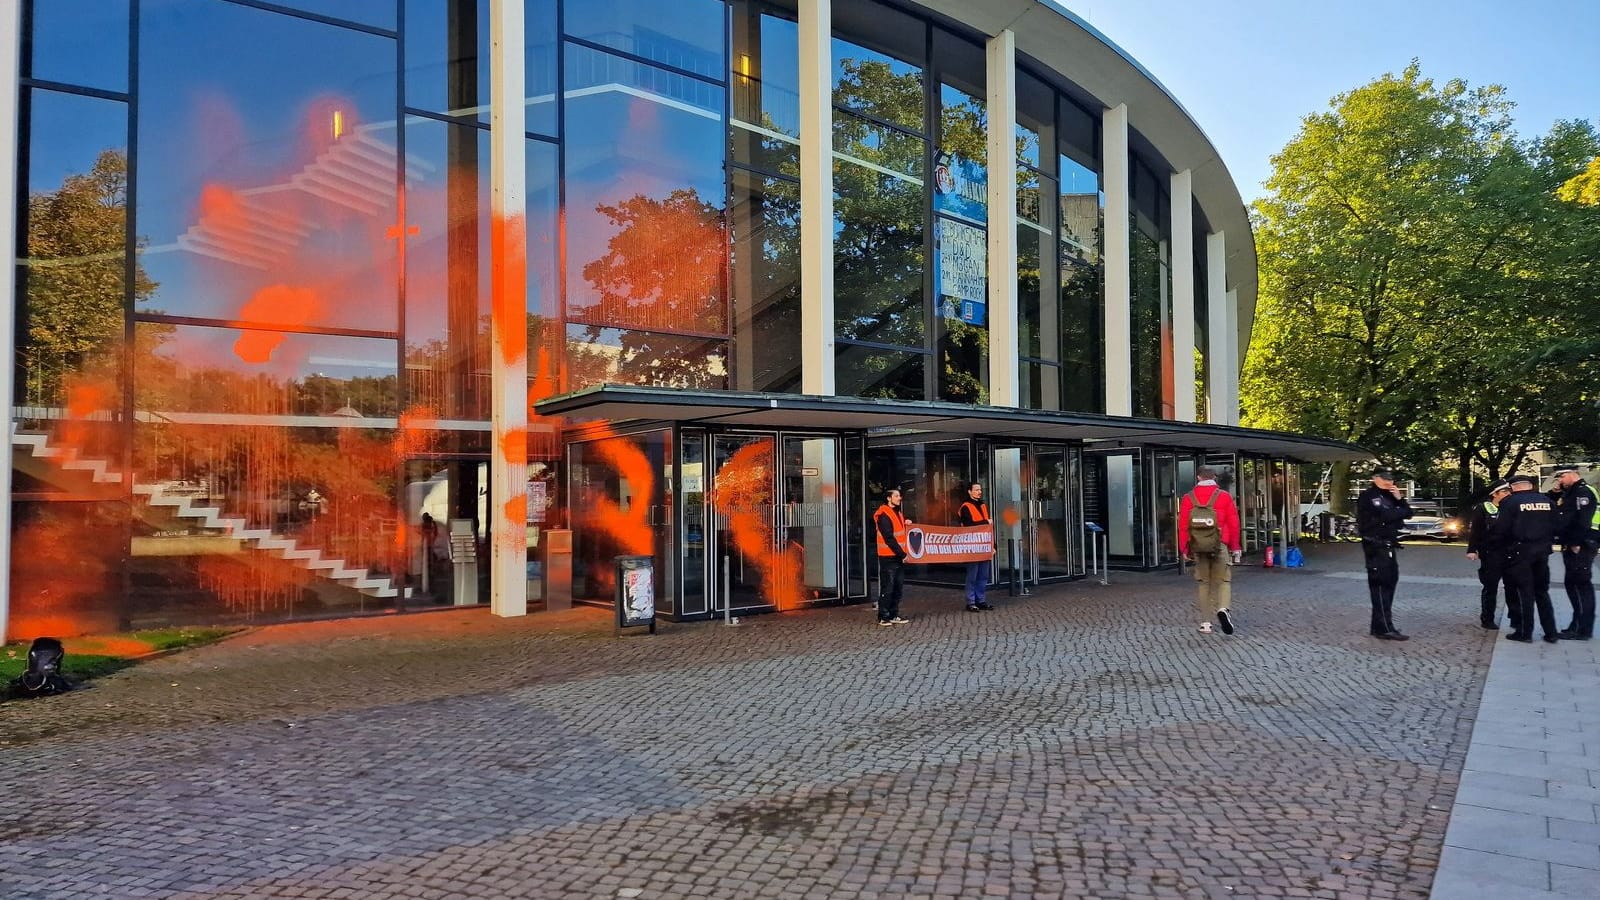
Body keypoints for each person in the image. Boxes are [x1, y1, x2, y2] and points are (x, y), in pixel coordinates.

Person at [1492, 473, 1560, 643]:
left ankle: (1525, 632)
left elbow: (1501, 530)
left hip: (1519, 552)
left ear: (1513, 487)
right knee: (1542, 592)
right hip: (1542, 551)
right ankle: (1551, 632)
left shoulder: (1510, 502)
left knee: (1524, 593)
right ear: (1530, 485)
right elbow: (1557, 526)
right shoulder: (1547, 501)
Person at [1178, 466, 1242, 635]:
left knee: (1203, 583)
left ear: (1198, 477)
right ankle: (1222, 609)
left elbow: (1183, 525)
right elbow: (1234, 524)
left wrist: (1184, 547)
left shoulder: (1188, 498)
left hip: (1198, 546)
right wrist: (1235, 547)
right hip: (1220, 544)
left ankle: (1206, 624)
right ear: (1214, 477)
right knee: (1223, 581)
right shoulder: (1224, 497)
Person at [1356, 466, 1412, 640]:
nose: (1389, 481)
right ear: (1375, 478)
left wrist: (1400, 499)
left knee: (1390, 584)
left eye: (1390, 478)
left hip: (1388, 546)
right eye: (1385, 478)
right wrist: (1397, 512)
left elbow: (1409, 513)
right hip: (1376, 546)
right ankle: (1385, 628)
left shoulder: (1390, 496)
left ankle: (1378, 626)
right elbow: (1385, 516)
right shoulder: (1369, 496)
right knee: (1381, 587)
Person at [1550, 465, 1598, 640]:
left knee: (1580, 585)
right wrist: (1556, 491)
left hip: (1583, 544)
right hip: (1574, 543)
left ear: (1571, 474)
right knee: (1573, 584)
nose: (1560, 481)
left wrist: (1576, 542)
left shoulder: (1583, 492)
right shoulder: (1572, 492)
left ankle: (1582, 629)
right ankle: (1576, 625)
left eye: (1561, 477)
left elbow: (1583, 519)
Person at [1465, 481, 1518, 631]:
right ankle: (1487, 618)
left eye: (1509, 492)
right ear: (1494, 494)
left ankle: (1515, 617)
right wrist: (1472, 549)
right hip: (1490, 553)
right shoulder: (1484, 508)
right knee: (1490, 587)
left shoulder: (1511, 507)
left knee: (1512, 586)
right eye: (1504, 492)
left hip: (1510, 552)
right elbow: (1475, 530)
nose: (1508, 494)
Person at [873, 488, 912, 626]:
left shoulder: (897, 513)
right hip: (888, 557)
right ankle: (883, 616)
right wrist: (903, 554)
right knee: (888, 587)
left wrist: (905, 523)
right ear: (889, 498)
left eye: (899, 495)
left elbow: (897, 532)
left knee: (897, 587)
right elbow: (889, 538)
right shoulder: (884, 514)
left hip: (896, 556)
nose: (899, 498)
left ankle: (893, 614)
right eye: (896, 496)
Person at [957, 482, 994, 612]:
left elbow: (988, 529)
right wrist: (985, 522)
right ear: (969, 491)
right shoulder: (965, 507)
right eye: (976, 489)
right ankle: (971, 602)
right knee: (972, 575)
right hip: (972, 546)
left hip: (983, 546)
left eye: (980, 489)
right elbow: (968, 525)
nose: (979, 491)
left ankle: (981, 600)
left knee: (983, 575)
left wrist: (992, 545)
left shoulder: (982, 505)